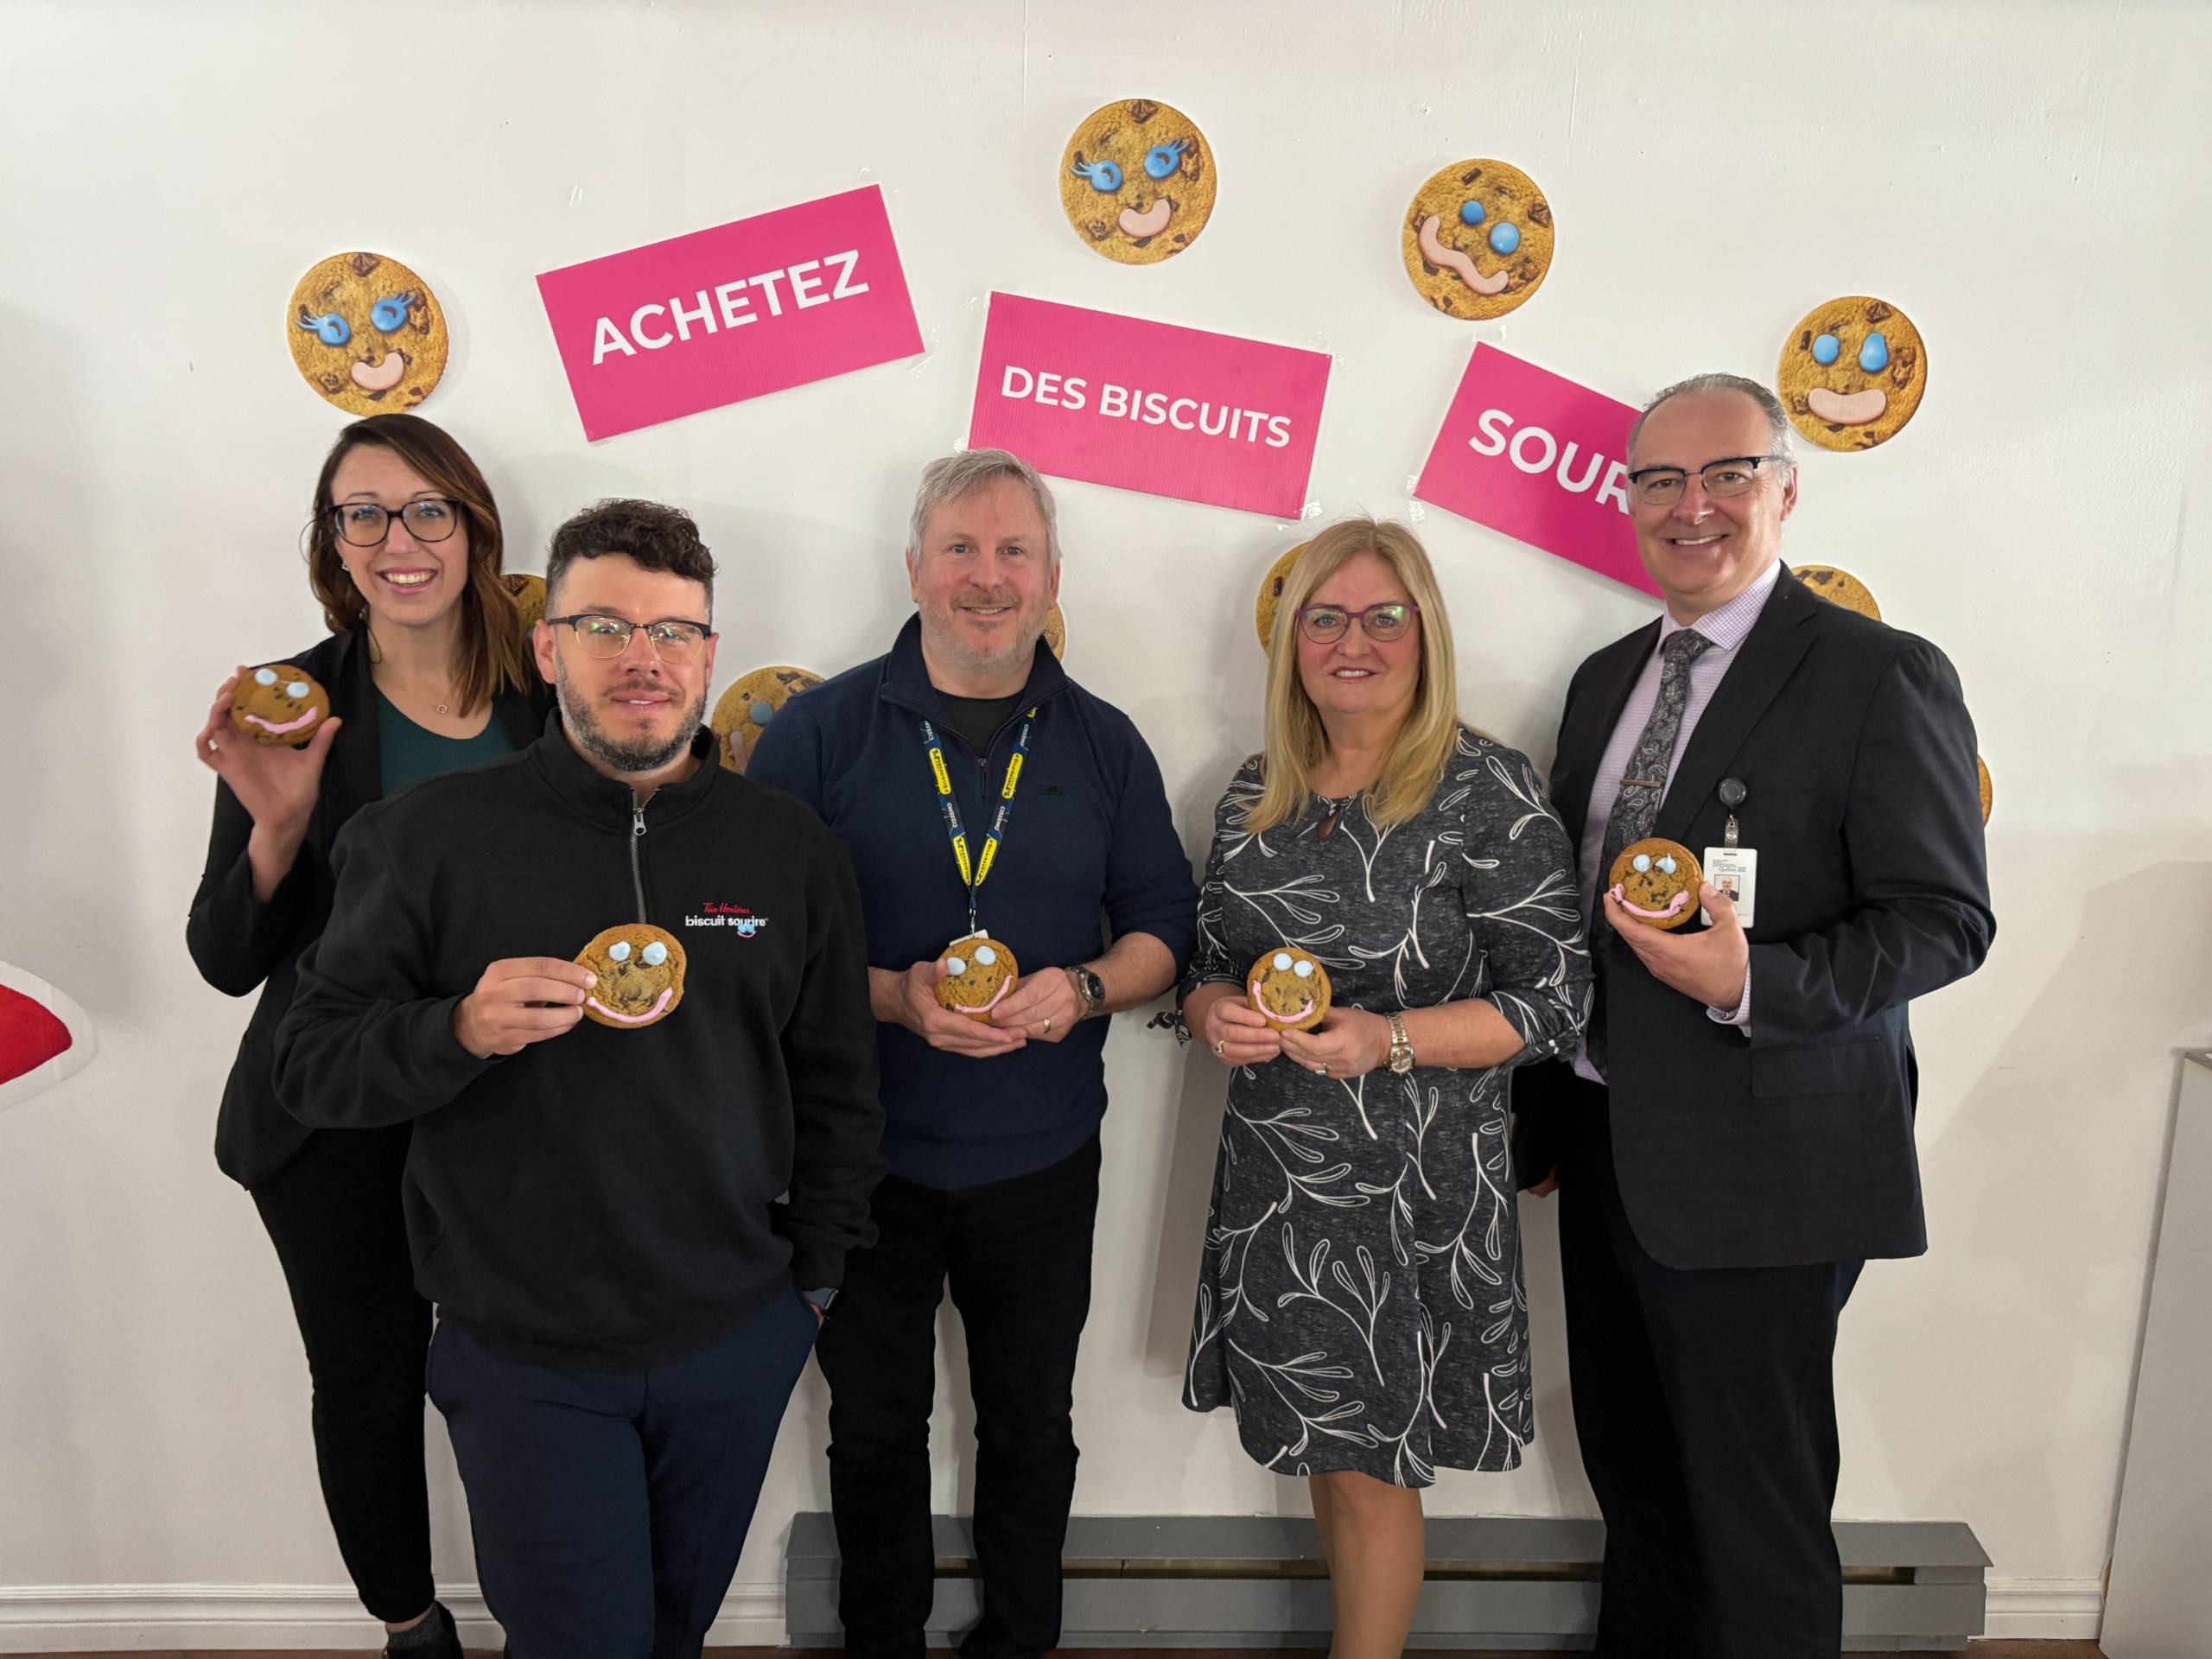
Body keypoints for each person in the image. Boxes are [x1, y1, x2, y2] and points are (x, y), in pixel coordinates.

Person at [273, 499, 884, 1659]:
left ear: (711, 655)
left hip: (734, 1333)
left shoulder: (787, 847)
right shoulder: (425, 839)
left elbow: (839, 1081)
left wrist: (811, 1289)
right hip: (525, 1353)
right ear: (549, 647)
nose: (643, 660)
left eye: (674, 633)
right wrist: (457, 1027)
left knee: (671, 1633)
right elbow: (310, 1068)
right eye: (606, 626)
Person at [1513, 372, 1995, 1657]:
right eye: (1659, 481)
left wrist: (1750, 983)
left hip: (1766, 1166)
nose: (1692, 507)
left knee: (1755, 1509)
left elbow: (1945, 920)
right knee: (1639, 1478)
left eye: (1726, 473)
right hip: (1612, 1143)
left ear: (1789, 487)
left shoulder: (1878, 675)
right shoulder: (1605, 679)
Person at [747, 448, 1195, 1659]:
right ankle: (881, 1636)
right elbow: (752, 946)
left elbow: (1165, 931)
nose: (986, 578)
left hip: (1042, 1161)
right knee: (875, 1425)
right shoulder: (817, 733)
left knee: (1031, 1425)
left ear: (1054, 577)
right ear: (915, 568)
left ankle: (1022, 1636)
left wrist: (1086, 989)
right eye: (961, 549)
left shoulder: (1106, 745)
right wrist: (892, 996)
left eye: (1013, 553)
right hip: (859, 1161)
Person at [1177, 517, 1591, 1659]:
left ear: (1426, 634)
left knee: (1369, 1469)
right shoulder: (1255, 792)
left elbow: (1556, 1000)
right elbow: (1210, 964)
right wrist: (1214, 1012)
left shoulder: (1483, 788)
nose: (1351, 640)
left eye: (1382, 616)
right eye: (1326, 617)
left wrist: (1391, 1040)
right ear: (1292, 639)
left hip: (1413, 1187)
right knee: (1328, 1449)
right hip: (1277, 1185)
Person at [187, 412, 543, 1659]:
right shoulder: (292, 704)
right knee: (370, 1378)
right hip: (335, 1110)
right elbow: (227, 960)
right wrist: (276, 829)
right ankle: (412, 1626)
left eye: (428, 509)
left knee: (530, 1377)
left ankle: (563, 1611)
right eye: (366, 514)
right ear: (335, 543)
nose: (401, 539)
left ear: (474, 526)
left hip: (518, 1100)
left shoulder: (549, 687)